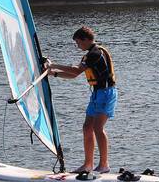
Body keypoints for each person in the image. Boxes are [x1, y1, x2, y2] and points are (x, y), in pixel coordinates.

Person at [47, 26, 116, 174]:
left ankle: (104, 165)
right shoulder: (88, 55)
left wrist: (53, 65)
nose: (77, 46)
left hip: (106, 93)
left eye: (78, 43)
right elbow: (74, 75)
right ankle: (88, 165)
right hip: (96, 94)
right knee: (87, 128)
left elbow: (75, 70)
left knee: (98, 128)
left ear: (85, 40)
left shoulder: (95, 53)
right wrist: (53, 74)